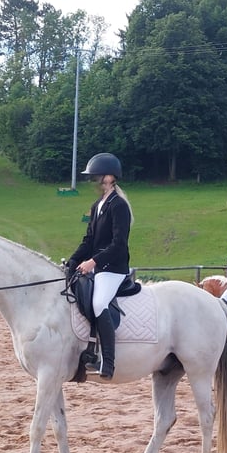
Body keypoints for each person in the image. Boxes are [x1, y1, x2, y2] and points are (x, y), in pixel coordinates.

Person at [67, 152, 134, 380]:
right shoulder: (98, 205)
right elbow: (89, 241)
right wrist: (74, 261)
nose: (92, 182)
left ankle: (108, 362)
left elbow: (118, 244)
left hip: (113, 268)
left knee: (98, 303)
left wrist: (93, 262)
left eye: (95, 178)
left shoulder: (119, 206)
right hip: (97, 266)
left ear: (108, 178)